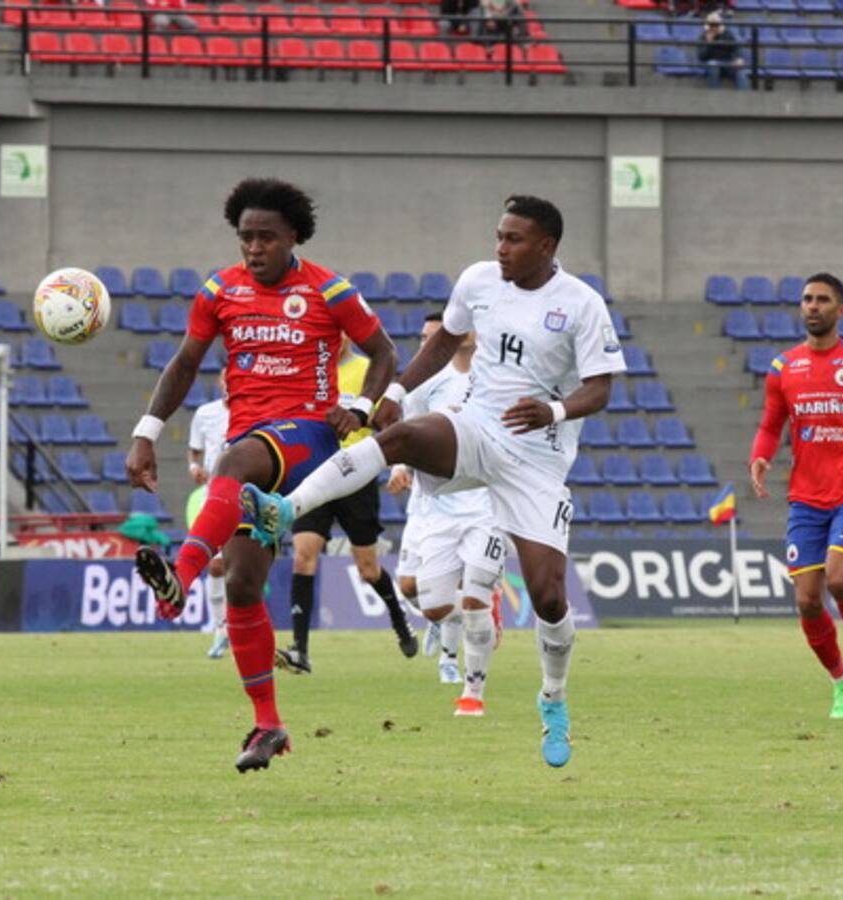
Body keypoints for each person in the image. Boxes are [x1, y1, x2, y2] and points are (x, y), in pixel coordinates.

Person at [242, 195, 626, 768]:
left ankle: (553, 699)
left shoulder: (580, 304)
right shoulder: (478, 281)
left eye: (514, 240)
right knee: (399, 438)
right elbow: (445, 340)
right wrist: (393, 394)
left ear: (546, 246)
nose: (500, 248)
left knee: (548, 596)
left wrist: (556, 412)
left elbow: (600, 387)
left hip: (537, 458)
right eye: (498, 236)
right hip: (476, 427)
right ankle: (285, 509)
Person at [126, 178, 396, 773]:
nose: (254, 247)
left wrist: (363, 409)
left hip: (310, 438)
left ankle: (181, 577)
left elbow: (383, 353)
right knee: (245, 587)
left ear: (293, 235)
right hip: (249, 445)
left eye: (266, 237)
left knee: (234, 462)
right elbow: (184, 363)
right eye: (246, 237)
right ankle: (268, 725)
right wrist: (147, 430)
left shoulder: (330, 289)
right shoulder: (220, 291)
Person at [749, 272, 843, 721]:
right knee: (807, 600)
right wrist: (760, 457)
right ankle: (841, 682)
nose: (812, 306)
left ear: (841, 310)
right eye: (807, 299)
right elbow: (771, 424)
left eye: (822, 300)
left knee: (838, 579)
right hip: (806, 498)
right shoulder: (784, 368)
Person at [385, 312, 506, 715]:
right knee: (430, 602)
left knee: (473, 600)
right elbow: (409, 433)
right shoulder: (426, 385)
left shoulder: (498, 378)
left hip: (486, 507)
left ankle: (472, 695)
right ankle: (482, 617)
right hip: (436, 507)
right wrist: (400, 467)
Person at [278, 338, 418, 676]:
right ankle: (300, 650)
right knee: (303, 553)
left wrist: (397, 464)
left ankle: (399, 618)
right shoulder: (309, 372)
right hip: (315, 474)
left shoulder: (367, 371)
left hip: (356, 474)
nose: (334, 339)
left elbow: (388, 420)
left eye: (339, 333)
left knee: (368, 568)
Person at [186, 371, 230, 659]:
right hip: (214, 492)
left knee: (243, 566)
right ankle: (220, 628)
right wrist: (194, 468)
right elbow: (194, 452)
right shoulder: (205, 413)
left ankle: (242, 628)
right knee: (214, 564)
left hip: (248, 493)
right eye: (227, 380)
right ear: (220, 382)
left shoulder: (255, 411)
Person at [697, 11, 748, 91]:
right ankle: (714, 95)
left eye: (716, 25)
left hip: (728, 62)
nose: (714, 27)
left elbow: (736, 47)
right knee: (712, 64)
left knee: (741, 71)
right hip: (712, 62)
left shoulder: (727, 34)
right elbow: (701, 57)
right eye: (712, 25)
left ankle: (745, 97)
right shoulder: (703, 36)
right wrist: (709, 44)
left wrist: (739, 58)